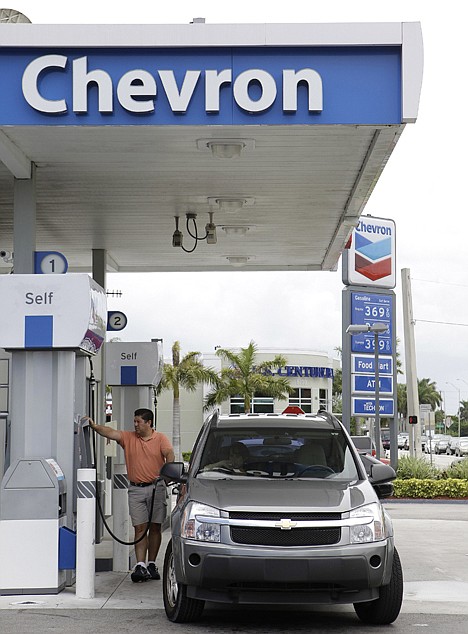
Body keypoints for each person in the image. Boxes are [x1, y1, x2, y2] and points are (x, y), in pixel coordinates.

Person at [85, 408, 174, 583]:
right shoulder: (128, 437)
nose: (135, 425)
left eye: (138, 422)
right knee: (139, 528)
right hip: (136, 489)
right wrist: (94, 426)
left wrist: (168, 470)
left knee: (155, 527)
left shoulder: (160, 438)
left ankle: (151, 564)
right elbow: (111, 433)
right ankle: (140, 565)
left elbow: (169, 453)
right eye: (134, 421)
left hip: (157, 487)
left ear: (149, 423)